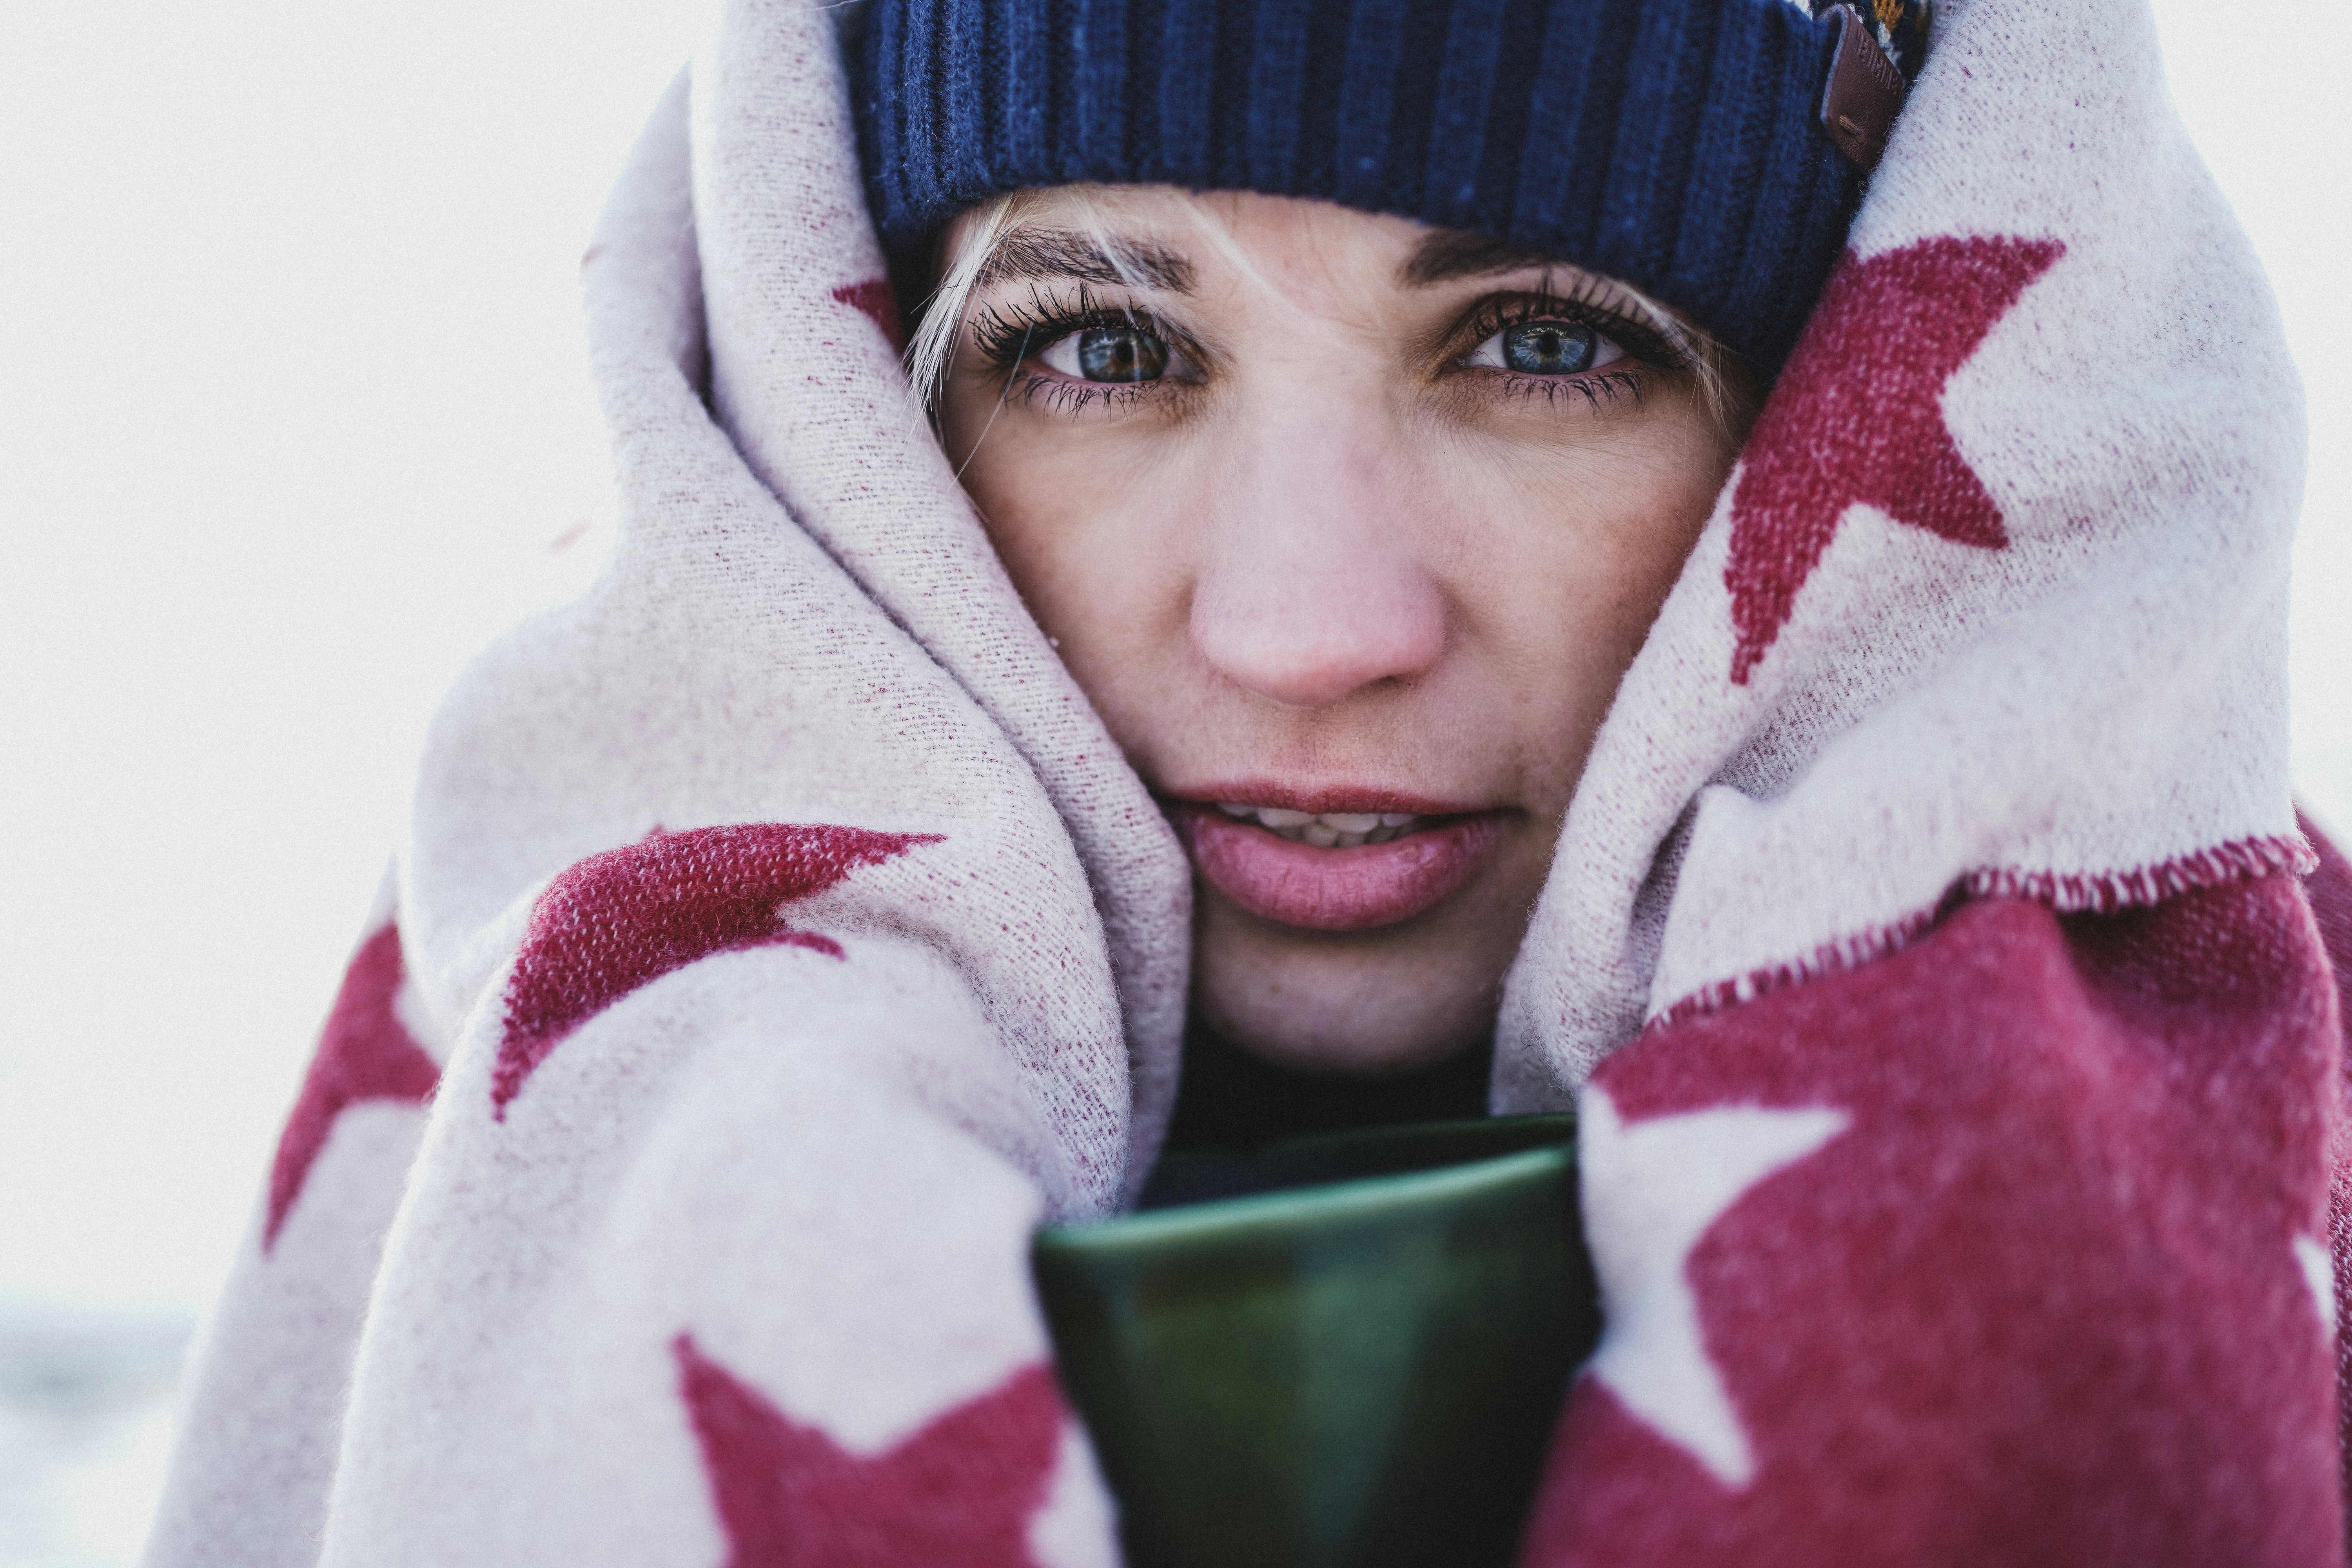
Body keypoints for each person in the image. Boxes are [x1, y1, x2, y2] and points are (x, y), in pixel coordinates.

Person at [143, 0, 2352, 1563]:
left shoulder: (2245, 1131)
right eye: (1102, 348)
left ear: (1845, 407)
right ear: (854, 437)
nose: (1311, 625)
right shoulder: (532, 1125)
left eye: (1546, 341)